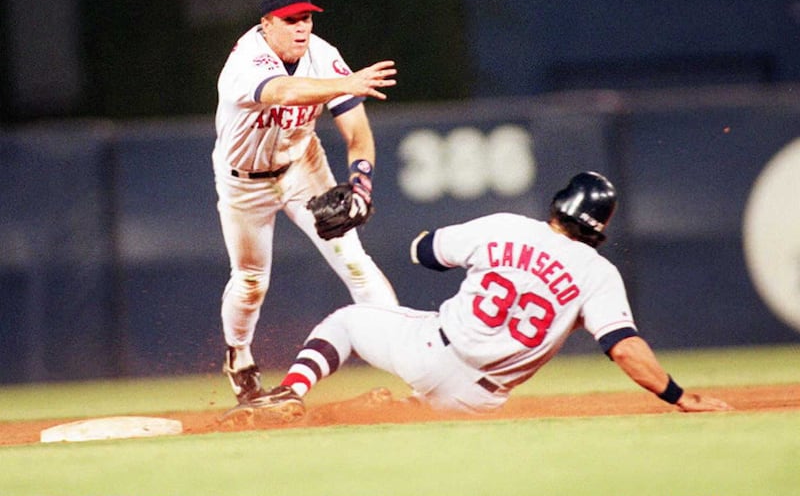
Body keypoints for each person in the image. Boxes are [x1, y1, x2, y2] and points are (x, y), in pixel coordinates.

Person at [245, 171, 732, 422]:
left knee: (348, 322)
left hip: (431, 350)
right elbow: (624, 348)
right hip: (479, 401)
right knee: (420, 419)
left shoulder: (505, 226)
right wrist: (679, 395)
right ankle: (403, 408)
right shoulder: (597, 274)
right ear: (599, 228)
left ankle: (291, 394)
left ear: (558, 204)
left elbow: (423, 251)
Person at [212, 0, 399, 420]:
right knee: (251, 281)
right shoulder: (248, 59)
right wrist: (345, 83)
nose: (301, 27)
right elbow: (282, 91)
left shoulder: (323, 55)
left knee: (355, 261)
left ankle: (411, 360)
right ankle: (239, 358)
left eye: (307, 18)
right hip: (245, 181)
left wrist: (361, 183)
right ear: (266, 24)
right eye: (290, 19)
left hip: (302, 166)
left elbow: (357, 132)